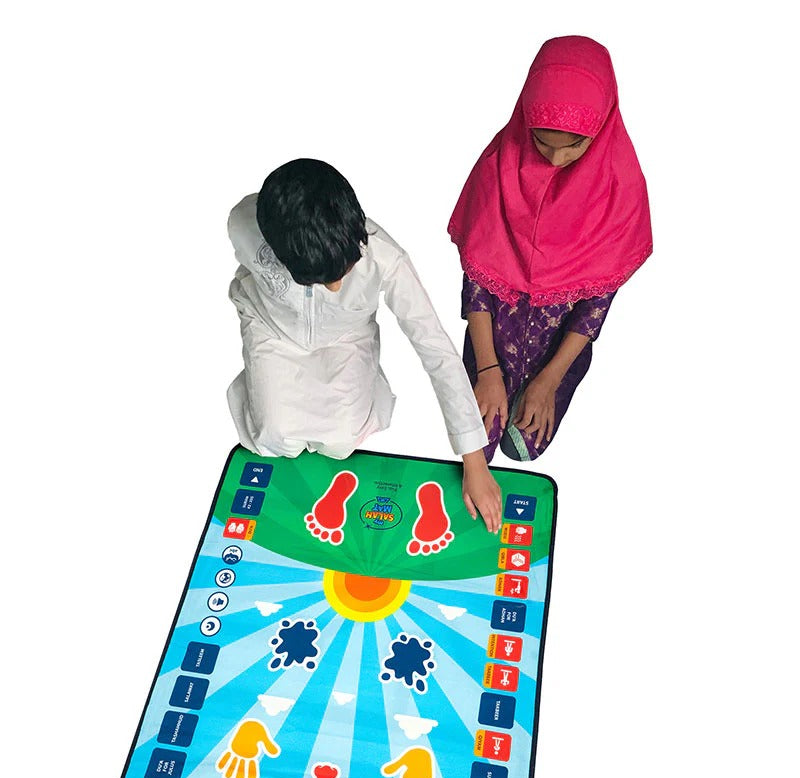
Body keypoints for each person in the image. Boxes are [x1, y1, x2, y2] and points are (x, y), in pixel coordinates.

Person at [227, 158, 501, 530]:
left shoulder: (385, 257)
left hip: (346, 336)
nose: (337, 286)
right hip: (271, 327)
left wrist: (475, 460)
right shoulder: (243, 223)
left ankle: (364, 385)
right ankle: (272, 392)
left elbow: (434, 345)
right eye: (324, 279)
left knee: (340, 443)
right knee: (276, 439)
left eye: (344, 272)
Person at [448, 35, 652, 461]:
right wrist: (487, 370)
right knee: (474, 444)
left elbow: (597, 303)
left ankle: (547, 379)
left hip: (557, 345)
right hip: (493, 337)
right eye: (542, 143)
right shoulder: (497, 167)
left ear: (603, 127)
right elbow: (476, 282)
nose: (555, 161)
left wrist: (549, 380)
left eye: (574, 146)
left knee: (522, 448)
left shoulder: (620, 188)